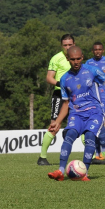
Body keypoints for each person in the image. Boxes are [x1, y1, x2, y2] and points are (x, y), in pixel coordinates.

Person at [47, 46, 105, 181]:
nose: (76, 62)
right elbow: (66, 104)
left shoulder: (92, 70)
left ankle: (84, 173)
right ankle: (60, 171)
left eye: (78, 59)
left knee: (90, 137)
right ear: (68, 59)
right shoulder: (64, 79)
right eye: (72, 59)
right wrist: (57, 121)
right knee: (69, 135)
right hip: (77, 113)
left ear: (82, 57)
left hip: (94, 112)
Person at [37, 34, 75, 166]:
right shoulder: (56, 58)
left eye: (70, 44)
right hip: (59, 95)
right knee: (54, 125)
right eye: (65, 45)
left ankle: (92, 156)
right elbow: (49, 78)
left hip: (76, 96)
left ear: (74, 45)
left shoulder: (77, 58)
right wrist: (61, 84)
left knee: (82, 122)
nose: (67, 47)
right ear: (61, 46)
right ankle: (42, 157)